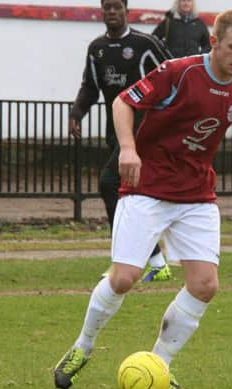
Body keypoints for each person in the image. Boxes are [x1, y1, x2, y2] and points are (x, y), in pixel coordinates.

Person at [54, 9, 232, 389]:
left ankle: (159, 367)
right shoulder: (178, 72)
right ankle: (82, 347)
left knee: (204, 286)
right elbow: (122, 103)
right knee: (123, 279)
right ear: (214, 42)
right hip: (145, 186)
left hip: (196, 196)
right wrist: (128, 150)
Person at [69, 0, 174, 282]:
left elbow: (174, 74)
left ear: (127, 11)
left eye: (117, 7)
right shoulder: (97, 49)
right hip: (115, 132)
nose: (112, 12)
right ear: (102, 12)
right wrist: (76, 113)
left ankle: (128, 261)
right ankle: (156, 262)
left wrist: (167, 115)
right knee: (131, 198)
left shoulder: (144, 44)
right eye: (107, 8)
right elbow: (90, 87)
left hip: (143, 130)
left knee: (109, 183)